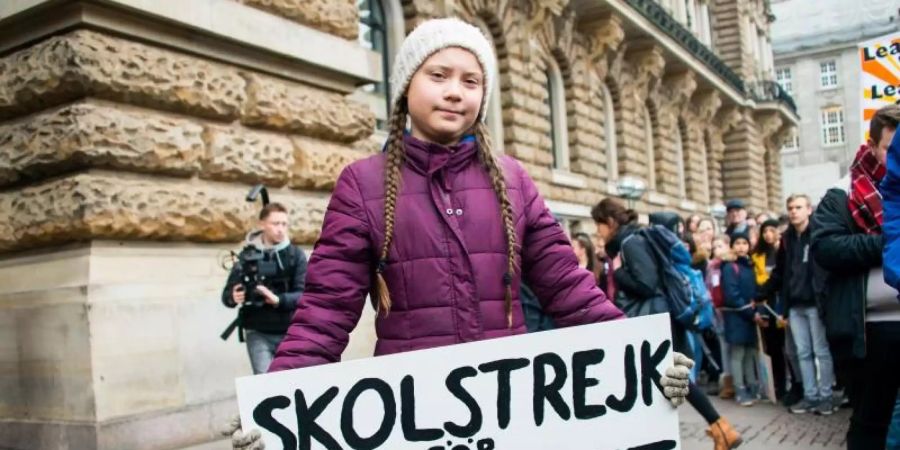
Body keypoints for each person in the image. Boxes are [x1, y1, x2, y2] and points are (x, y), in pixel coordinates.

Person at [227, 18, 693, 449]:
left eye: (470, 81)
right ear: (407, 84)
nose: (455, 92)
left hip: (511, 414)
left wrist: (642, 356)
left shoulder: (513, 181)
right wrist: (272, 402)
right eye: (438, 75)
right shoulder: (362, 185)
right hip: (414, 423)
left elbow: (570, 290)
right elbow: (324, 312)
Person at [594, 198, 742, 449]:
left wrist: (618, 271)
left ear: (609, 222)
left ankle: (718, 427)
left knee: (667, 376)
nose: (597, 231)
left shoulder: (630, 243)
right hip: (661, 318)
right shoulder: (633, 240)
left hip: (655, 320)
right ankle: (719, 428)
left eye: (599, 225)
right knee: (670, 377)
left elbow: (647, 283)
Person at [831, 104, 900, 449]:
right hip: (871, 329)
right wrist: (887, 242)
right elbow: (829, 248)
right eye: (892, 148)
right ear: (873, 147)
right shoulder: (843, 194)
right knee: (871, 422)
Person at [761, 194, 836, 416]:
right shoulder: (787, 239)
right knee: (802, 352)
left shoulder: (819, 233)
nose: (794, 211)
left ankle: (826, 396)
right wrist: (763, 292)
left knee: (821, 351)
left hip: (815, 302)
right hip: (794, 303)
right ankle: (811, 395)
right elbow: (781, 271)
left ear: (809, 209)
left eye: (798, 207)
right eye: (791, 207)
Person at [220, 202, 308, 374]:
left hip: (290, 331)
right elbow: (227, 296)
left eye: (284, 224)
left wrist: (278, 300)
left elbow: (304, 295)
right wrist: (233, 296)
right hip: (257, 331)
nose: (281, 229)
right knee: (265, 386)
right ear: (262, 224)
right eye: (276, 224)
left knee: (294, 382)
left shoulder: (295, 255)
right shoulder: (247, 256)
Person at [750, 219, 794, 403]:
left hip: (782, 305)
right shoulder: (757, 256)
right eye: (764, 231)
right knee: (774, 349)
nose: (768, 234)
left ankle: (795, 383)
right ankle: (780, 386)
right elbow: (756, 284)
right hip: (766, 306)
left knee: (791, 349)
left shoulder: (784, 252)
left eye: (771, 230)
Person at [721, 230, 759, 407]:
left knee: (750, 352)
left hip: (748, 315)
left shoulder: (749, 265)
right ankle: (740, 388)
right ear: (732, 246)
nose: (741, 247)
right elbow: (731, 294)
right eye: (737, 243)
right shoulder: (730, 267)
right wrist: (749, 311)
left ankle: (752, 385)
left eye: (744, 243)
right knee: (738, 354)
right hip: (736, 316)